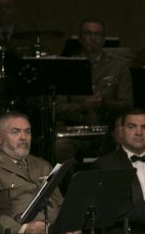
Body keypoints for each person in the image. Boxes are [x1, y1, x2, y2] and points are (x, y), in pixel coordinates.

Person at [56, 18, 133, 162]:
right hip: (75, 131)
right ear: (80, 38)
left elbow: (127, 104)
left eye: (98, 34)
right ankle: (71, 184)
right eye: (88, 34)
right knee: (60, 147)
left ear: (103, 39)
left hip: (108, 130)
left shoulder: (118, 66)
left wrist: (105, 103)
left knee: (127, 143)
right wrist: (83, 106)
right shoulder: (67, 66)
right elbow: (58, 108)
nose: (93, 38)